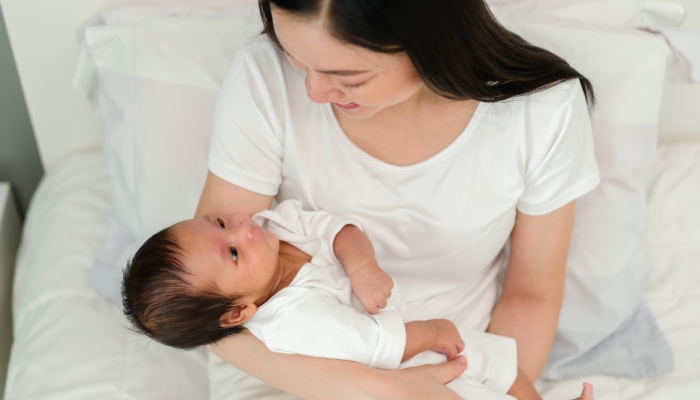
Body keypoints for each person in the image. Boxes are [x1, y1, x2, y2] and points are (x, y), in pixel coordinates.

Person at [196, 0, 600, 398]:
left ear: (431, 41)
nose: (313, 91)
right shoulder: (264, 76)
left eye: (349, 77)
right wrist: (382, 388)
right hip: (286, 366)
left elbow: (532, 295)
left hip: (454, 362)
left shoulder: (545, 109)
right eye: (296, 58)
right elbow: (205, 308)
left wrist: (489, 390)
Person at [122, 199, 593, 400]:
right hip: (405, 370)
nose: (242, 229)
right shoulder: (291, 322)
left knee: (503, 362)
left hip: (416, 332)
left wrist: (361, 266)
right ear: (237, 313)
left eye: (219, 222)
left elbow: (337, 229)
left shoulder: (276, 227)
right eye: (231, 251)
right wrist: (432, 332)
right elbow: (370, 348)